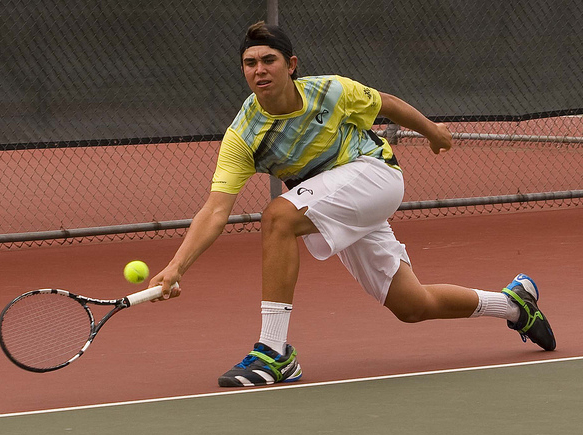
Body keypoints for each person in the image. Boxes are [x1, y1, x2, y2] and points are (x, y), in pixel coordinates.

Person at [149, 21, 556, 387]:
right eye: (250, 63)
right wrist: (176, 267)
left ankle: (274, 352)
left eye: (268, 60)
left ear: (291, 65)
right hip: (335, 200)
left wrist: (433, 132)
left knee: (278, 217)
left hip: (374, 174)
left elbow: (387, 104)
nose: (259, 70)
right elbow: (215, 210)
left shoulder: (330, 91)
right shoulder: (243, 135)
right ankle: (513, 305)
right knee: (411, 305)